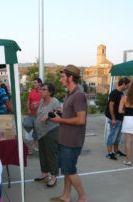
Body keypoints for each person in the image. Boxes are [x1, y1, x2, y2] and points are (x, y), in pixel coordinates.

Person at [50, 65, 88, 202]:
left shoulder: (78, 95)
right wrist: (60, 113)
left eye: (62, 77)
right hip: (64, 139)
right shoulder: (69, 94)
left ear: (70, 77)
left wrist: (61, 120)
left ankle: (83, 197)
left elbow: (81, 119)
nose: (60, 80)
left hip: (72, 141)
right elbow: (71, 114)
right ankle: (66, 196)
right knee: (66, 170)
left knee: (70, 171)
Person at [33, 83, 60, 187]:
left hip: (51, 131)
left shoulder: (54, 101)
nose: (41, 91)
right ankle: (44, 174)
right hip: (41, 132)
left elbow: (59, 111)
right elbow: (39, 114)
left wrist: (48, 115)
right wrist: (36, 109)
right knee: (42, 153)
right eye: (41, 89)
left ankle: (54, 176)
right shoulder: (41, 101)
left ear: (50, 92)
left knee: (51, 154)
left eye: (44, 90)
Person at [105, 77, 130, 160]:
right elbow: (111, 106)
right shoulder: (114, 93)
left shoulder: (122, 93)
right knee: (112, 135)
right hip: (114, 118)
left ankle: (116, 151)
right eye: (127, 85)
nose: (128, 87)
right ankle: (109, 153)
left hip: (120, 118)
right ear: (123, 84)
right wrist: (113, 118)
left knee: (118, 136)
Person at [27, 78, 42, 154]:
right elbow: (28, 101)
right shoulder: (32, 92)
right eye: (34, 83)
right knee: (25, 126)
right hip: (31, 114)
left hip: (39, 116)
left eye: (35, 83)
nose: (34, 84)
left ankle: (32, 147)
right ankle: (29, 144)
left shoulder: (43, 92)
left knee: (37, 131)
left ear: (40, 83)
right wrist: (28, 109)